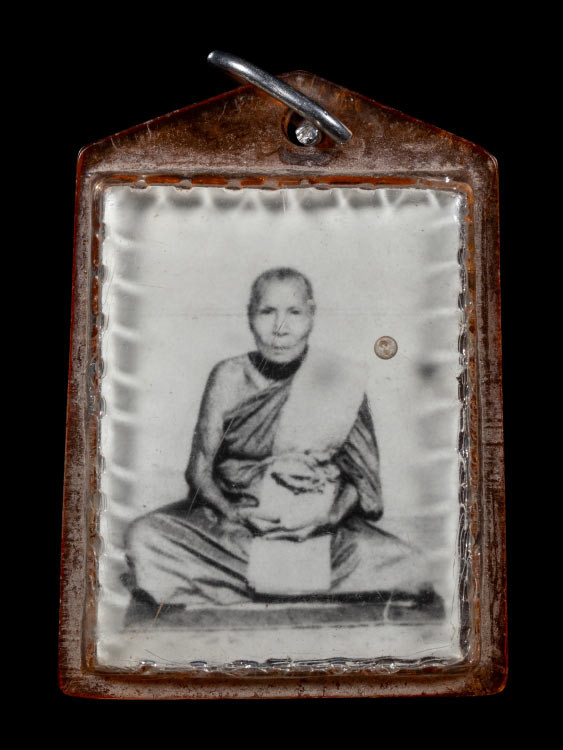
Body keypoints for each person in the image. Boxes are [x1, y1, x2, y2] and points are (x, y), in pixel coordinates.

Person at [123, 267, 437, 623]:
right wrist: (230, 515)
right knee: (144, 537)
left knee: (411, 565)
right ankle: (300, 583)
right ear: (250, 316)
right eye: (267, 312)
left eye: (294, 312)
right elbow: (199, 471)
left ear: (311, 316)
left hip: (317, 531)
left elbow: (362, 481)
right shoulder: (228, 376)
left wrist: (329, 517)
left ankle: (245, 585)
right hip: (238, 529)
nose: (280, 328)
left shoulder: (340, 380)